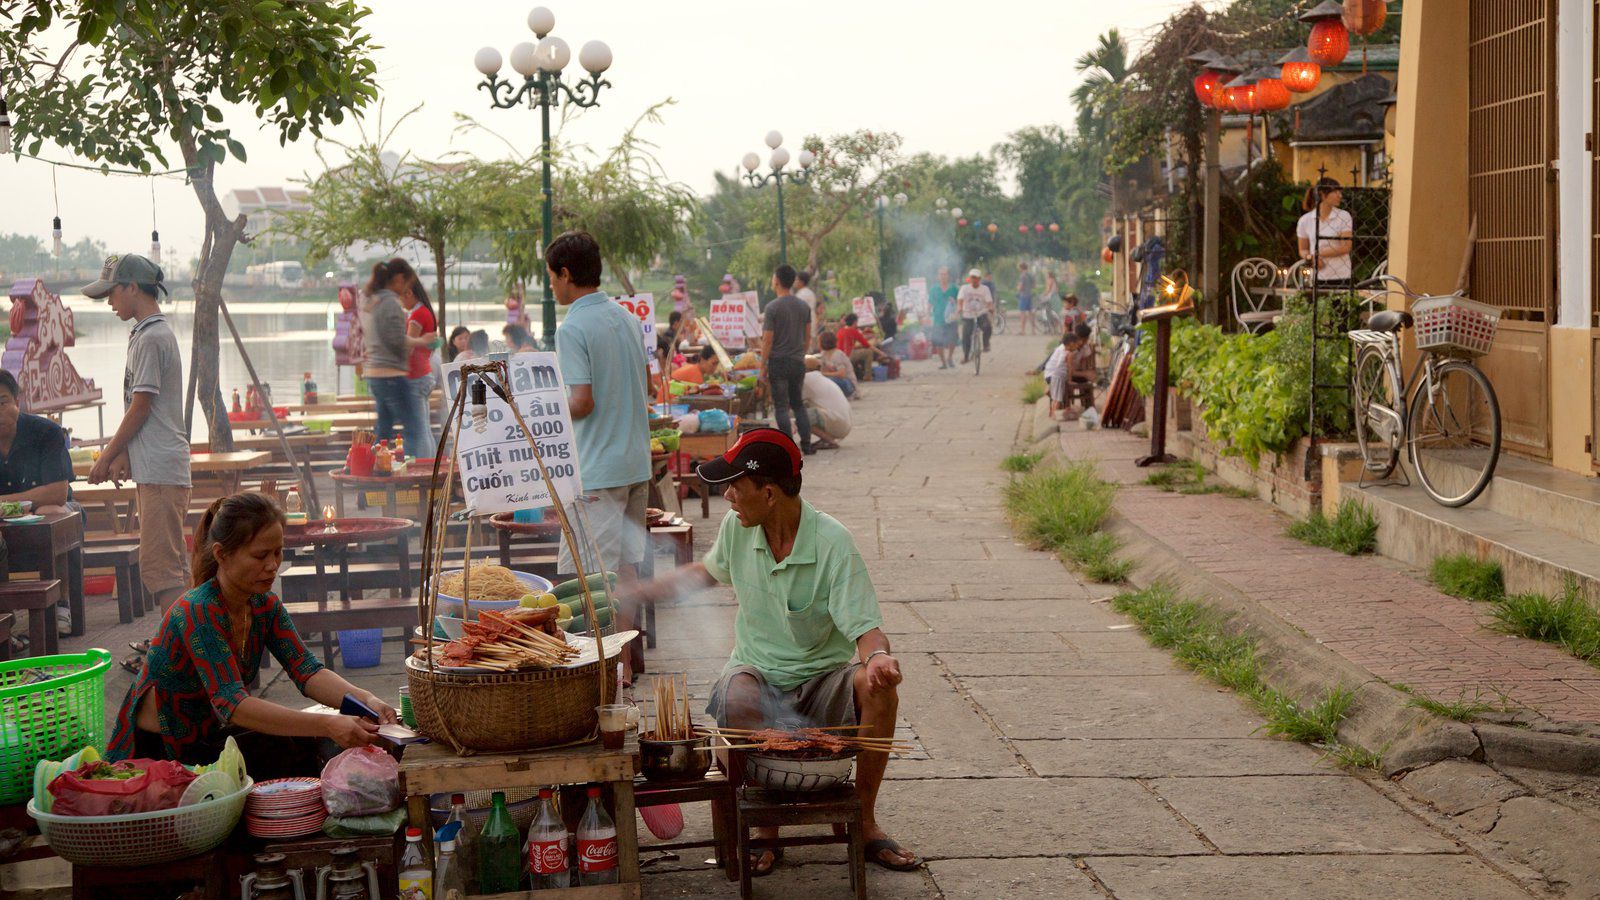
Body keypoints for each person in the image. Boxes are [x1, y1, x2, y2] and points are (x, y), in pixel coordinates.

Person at [632, 429, 917, 873]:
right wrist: (642, 590)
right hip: (757, 673)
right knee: (738, 693)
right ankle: (765, 830)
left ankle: (865, 819)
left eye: (734, 487)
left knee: (876, 686)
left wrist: (878, 658)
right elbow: (706, 572)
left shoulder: (831, 542)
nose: (726, 496)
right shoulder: (738, 528)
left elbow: (866, 630)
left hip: (822, 682)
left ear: (768, 493)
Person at [107, 493, 397, 778]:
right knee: (287, 747)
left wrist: (366, 700)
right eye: (260, 555)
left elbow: (307, 671)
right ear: (222, 554)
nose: (272, 565)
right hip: (159, 754)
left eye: (278, 552)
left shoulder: (264, 605)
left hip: (206, 737)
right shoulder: (198, 610)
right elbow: (233, 705)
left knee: (300, 743)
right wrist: (328, 724)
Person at [550, 230, 651, 678]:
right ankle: (623, 663)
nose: (551, 286)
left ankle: (603, 668)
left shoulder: (572, 327)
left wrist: (543, 409)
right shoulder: (626, 317)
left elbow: (583, 401)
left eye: (551, 277)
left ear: (567, 275)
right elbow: (642, 385)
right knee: (626, 570)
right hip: (635, 463)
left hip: (598, 471)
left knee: (593, 580)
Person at [82, 255, 192, 669]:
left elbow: (142, 406)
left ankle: (181, 655)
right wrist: (126, 454)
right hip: (157, 466)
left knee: (161, 568)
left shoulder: (150, 338)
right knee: (168, 565)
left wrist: (107, 453)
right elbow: (144, 404)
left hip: (162, 469)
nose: (108, 301)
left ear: (132, 288)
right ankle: (174, 644)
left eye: (111, 292)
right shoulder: (145, 333)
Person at [359, 260, 431, 458]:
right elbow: (396, 340)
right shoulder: (391, 303)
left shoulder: (372, 301)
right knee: (413, 428)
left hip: (375, 374)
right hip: (391, 374)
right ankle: (413, 475)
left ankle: (370, 465)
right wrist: (421, 340)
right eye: (407, 283)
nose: (407, 289)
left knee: (383, 429)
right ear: (399, 279)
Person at [759, 264, 815, 456]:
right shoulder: (803, 306)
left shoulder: (772, 308)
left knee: (781, 406)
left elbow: (767, 340)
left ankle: (788, 448)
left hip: (778, 363)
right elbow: (808, 337)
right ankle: (807, 444)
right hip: (797, 361)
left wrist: (762, 367)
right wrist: (801, 353)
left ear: (776, 281)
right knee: (798, 403)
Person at [0, 369, 72, 514]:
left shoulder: (46, 432)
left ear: (17, 403)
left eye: (2, 403)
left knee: (49, 511)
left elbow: (57, 494)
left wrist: (4, 502)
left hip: (55, 509)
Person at [397, 262, 439, 457]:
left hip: (415, 375)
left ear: (409, 293)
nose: (400, 301)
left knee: (418, 429)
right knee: (424, 428)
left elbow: (408, 344)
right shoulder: (424, 312)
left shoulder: (418, 314)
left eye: (400, 296)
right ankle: (429, 466)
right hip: (423, 373)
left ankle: (423, 468)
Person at [1298, 176, 1354, 283]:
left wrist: (1318, 254)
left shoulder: (1343, 216)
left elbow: (1346, 247)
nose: (1340, 196)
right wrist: (1311, 258)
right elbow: (1303, 249)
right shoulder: (1305, 220)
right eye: (1336, 192)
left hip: (1341, 275)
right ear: (1323, 195)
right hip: (1316, 276)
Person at [801, 360, 851, 445]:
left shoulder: (808, 378)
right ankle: (827, 438)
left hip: (838, 423)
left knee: (800, 416)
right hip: (843, 423)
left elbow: (792, 400)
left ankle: (829, 440)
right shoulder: (820, 378)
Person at [957, 268, 995, 365]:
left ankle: (986, 344)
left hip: (980, 313)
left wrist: (990, 308)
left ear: (979, 279)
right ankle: (966, 356)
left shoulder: (984, 289)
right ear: (969, 279)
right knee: (966, 335)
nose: (974, 280)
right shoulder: (964, 288)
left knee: (988, 327)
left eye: (976, 278)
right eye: (972, 278)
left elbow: (989, 302)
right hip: (967, 314)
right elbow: (960, 300)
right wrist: (959, 308)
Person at [929, 266, 959, 369]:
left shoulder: (954, 288)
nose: (943, 276)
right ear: (938, 276)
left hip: (951, 318)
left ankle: (950, 357)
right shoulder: (934, 289)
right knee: (938, 342)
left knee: (952, 339)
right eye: (941, 274)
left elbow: (960, 302)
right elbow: (930, 303)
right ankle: (943, 362)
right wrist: (925, 315)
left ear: (948, 276)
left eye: (945, 274)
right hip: (938, 318)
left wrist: (955, 306)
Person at [815, 331, 857, 398]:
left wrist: (823, 374)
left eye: (819, 342)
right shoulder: (823, 354)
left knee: (829, 381)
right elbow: (822, 370)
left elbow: (842, 374)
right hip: (837, 381)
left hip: (848, 384)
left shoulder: (837, 354)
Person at [794, 270, 823, 351]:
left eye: (796, 280)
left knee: (805, 350)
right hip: (809, 323)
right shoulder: (809, 293)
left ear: (801, 282)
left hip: (804, 325)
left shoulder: (802, 295)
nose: (795, 282)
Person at [1015, 261, 1035, 335]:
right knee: (1031, 313)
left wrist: (1017, 287)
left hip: (1023, 296)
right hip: (1030, 295)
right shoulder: (1030, 275)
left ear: (1021, 268)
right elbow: (1034, 286)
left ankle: (1023, 331)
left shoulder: (1022, 276)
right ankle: (1033, 330)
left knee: (1022, 314)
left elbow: (1020, 287)